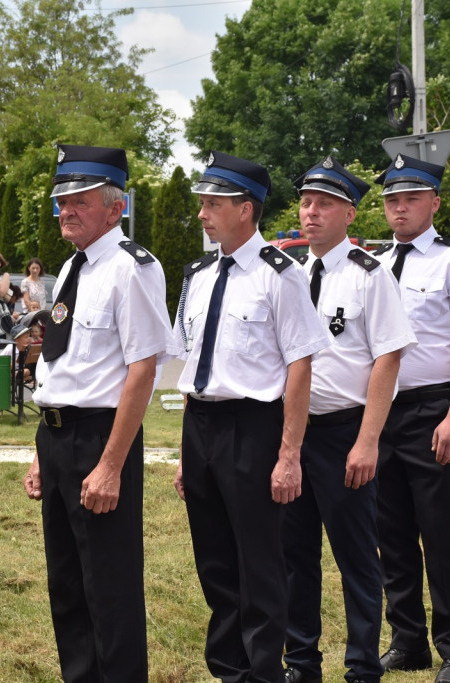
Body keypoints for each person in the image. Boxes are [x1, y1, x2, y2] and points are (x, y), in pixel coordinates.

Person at [172, 152, 329, 683]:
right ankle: (228, 669)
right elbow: (196, 364)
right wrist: (184, 452)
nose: (202, 215)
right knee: (214, 559)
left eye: (212, 204)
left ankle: (265, 671)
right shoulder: (197, 275)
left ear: (245, 210)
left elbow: (300, 368)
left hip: (254, 428)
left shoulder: (279, 276)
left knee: (260, 561)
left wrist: (289, 455)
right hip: (203, 428)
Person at [21, 144, 175, 682]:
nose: (66, 209)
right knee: (66, 585)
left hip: (99, 439)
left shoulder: (132, 268)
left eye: (80, 200)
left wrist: (110, 465)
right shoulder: (71, 267)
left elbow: (142, 370)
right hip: (58, 436)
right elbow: (67, 362)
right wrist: (43, 450)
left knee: (108, 586)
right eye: (62, 199)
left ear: (116, 207)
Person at [283, 156, 416, 683]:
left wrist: (368, 441)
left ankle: (362, 664)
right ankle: (301, 662)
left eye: (325, 204)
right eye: (307, 202)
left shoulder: (369, 276)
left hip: (345, 433)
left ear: (350, 214)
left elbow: (389, 358)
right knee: (294, 555)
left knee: (357, 558)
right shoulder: (289, 275)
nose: (312, 213)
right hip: (294, 435)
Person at [372, 154, 450, 683]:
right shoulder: (371, 266)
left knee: (440, 531)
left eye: (411, 197)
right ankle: (407, 641)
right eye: (392, 199)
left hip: (432, 409)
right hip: (380, 412)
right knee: (390, 532)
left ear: (435, 202)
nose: (399, 207)